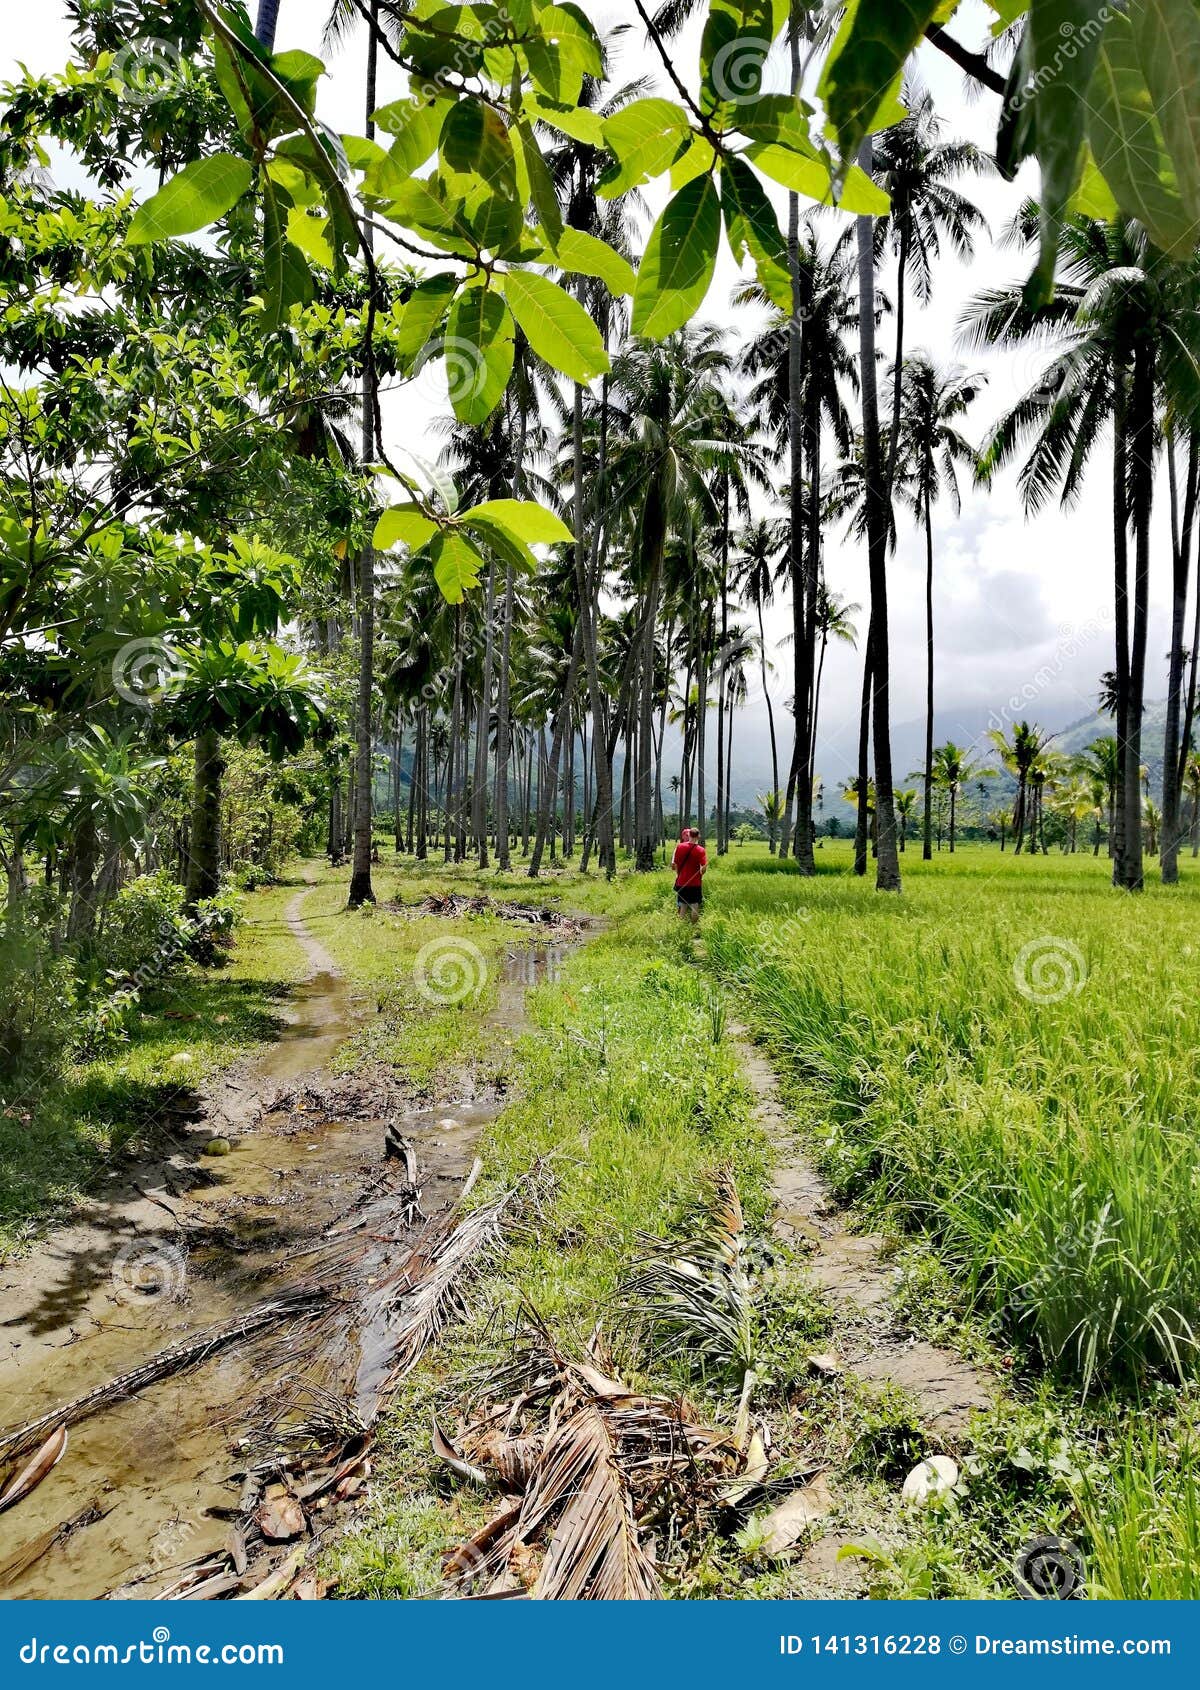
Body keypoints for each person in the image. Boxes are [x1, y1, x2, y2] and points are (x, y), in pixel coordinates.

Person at [672, 825, 707, 924]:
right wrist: (700, 874)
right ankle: (693, 928)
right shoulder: (701, 850)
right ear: (698, 836)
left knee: (683, 906)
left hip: (681, 882)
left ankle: (681, 929)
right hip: (695, 883)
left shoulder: (679, 847)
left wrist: (679, 874)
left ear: (689, 835)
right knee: (695, 905)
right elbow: (704, 867)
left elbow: (675, 864)